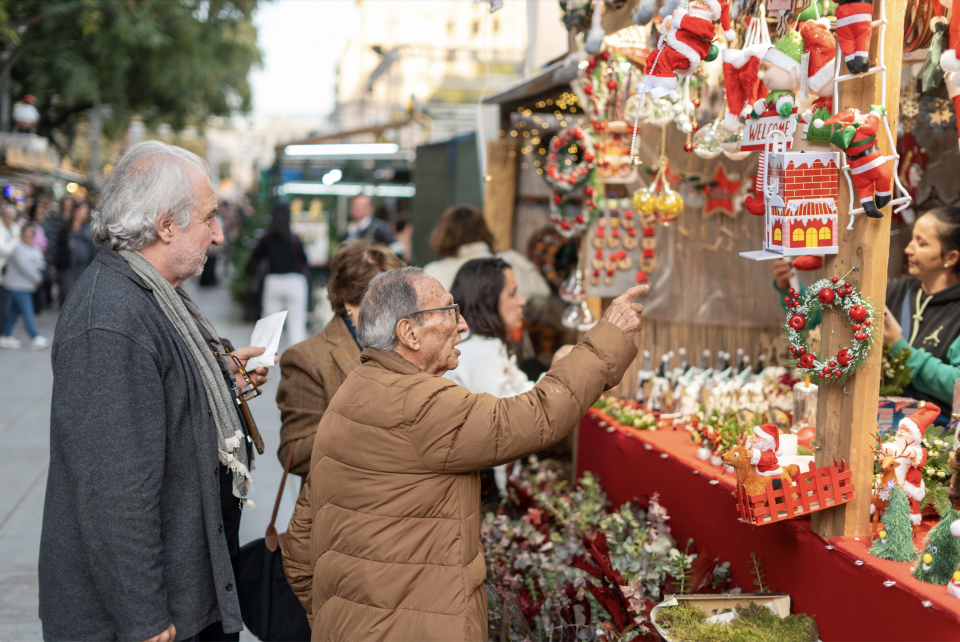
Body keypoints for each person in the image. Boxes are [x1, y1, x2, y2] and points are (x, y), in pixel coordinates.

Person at [281, 267, 647, 641]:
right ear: (408, 333)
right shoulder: (420, 403)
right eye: (449, 311)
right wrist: (608, 338)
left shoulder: (351, 392)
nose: (464, 324)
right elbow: (537, 417)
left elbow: (297, 546)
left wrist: (338, 617)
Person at [39, 140, 276, 642]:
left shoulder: (146, 293)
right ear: (166, 225)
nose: (218, 235)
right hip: (149, 618)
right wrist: (144, 620)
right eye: (209, 218)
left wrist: (221, 378)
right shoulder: (111, 320)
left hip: (189, 593)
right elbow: (113, 489)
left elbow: (159, 395)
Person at [773, 207, 960, 423]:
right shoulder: (893, 292)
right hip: (877, 425)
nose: (909, 248)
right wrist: (790, 287)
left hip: (933, 436)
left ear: (951, 257)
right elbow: (828, 320)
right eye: (912, 239)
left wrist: (897, 345)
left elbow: (955, 384)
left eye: (921, 243)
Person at [276, 240, 404, 477]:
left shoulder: (404, 342)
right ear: (347, 300)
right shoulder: (308, 358)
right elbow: (293, 455)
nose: (395, 312)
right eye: (382, 301)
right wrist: (360, 427)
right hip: (345, 501)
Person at [445, 257, 574, 493]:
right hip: (478, 488)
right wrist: (558, 373)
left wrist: (557, 371)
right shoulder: (477, 352)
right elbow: (513, 426)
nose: (522, 301)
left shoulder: (486, 344)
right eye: (513, 294)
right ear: (488, 301)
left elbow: (525, 393)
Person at [423, 204, 551, 301]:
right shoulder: (507, 261)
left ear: (443, 233)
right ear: (483, 229)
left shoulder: (433, 272)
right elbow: (542, 291)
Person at [247, 203, 309, 346]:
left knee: (269, 326)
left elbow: (254, 259)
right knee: (297, 325)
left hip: (273, 281)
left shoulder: (267, 238)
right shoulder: (294, 238)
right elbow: (304, 259)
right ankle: (298, 363)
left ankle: (263, 362)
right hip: (295, 282)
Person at [0, 224, 48, 349]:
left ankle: (6, 335)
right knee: (27, 311)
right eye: (25, 233)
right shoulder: (17, 248)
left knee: (14, 311)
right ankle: (34, 337)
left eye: (30, 233)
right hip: (15, 286)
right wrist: (37, 277)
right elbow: (24, 266)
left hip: (27, 286)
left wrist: (35, 270)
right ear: (21, 234)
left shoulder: (35, 248)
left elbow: (41, 263)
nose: (27, 235)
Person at [54, 199, 97, 303]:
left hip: (84, 268)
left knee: (82, 296)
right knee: (69, 296)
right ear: (75, 211)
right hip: (68, 268)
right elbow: (58, 247)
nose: (84, 211)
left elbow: (94, 248)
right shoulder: (65, 228)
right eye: (82, 208)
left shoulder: (89, 228)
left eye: (86, 209)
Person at [0, 202, 22, 332]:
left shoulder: (15, 228)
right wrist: (15, 240)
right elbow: (4, 250)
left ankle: (5, 329)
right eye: (6, 215)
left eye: (11, 216)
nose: (9, 218)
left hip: (11, 272)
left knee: (7, 302)